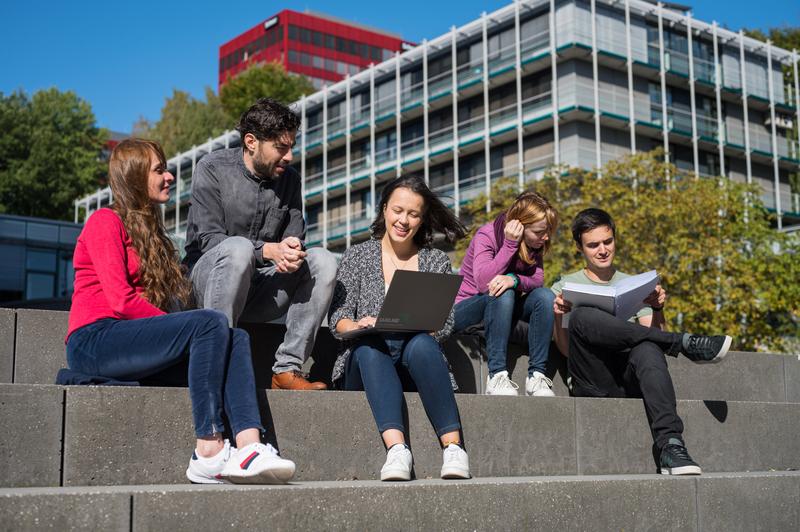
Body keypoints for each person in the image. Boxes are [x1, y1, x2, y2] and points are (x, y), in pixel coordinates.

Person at [65, 139, 296, 484]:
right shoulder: (104, 221)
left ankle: (249, 446)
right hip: (96, 339)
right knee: (210, 325)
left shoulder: (154, 235)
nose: (170, 176)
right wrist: (184, 329)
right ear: (134, 176)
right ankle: (209, 448)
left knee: (234, 337)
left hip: (133, 341)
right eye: (159, 170)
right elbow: (121, 301)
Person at [551, 208, 733, 475]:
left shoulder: (633, 284)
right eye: (593, 245)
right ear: (579, 247)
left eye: (608, 241)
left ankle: (672, 446)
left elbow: (650, 335)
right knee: (581, 316)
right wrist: (559, 317)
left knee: (648, 347)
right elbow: (566, 349)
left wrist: (657, 308)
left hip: (629, 377)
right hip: (592, 379)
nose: (602, 250)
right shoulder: (565, 286)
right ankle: (682, 343)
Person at [184, 98, 337, 391]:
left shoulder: (290, 180)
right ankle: (220, 364)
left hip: (262, 288)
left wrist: (292, 251)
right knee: (238, 249)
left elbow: (295, 237)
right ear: (251, 142)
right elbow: (207, 240)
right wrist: (269, 250)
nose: (290, 156)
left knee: (323, 260)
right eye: (281, 147)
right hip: (207, 284)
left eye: (292, 146)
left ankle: (287, 370)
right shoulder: (212, 168)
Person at [328, 175, 471, 481]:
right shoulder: (357, 255)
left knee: (422, 343)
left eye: (413, 214)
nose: (403, 220)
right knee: (369, 346)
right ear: (383, 210)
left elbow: (444, 323)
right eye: (397, 210)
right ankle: (397, 451)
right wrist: (358, 324)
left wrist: (420, 325)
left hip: (414, 356)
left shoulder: (435, 261)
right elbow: (338, 315)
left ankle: (454, 449)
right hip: (366, 359)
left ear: (422, 220)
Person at [453, 191, 559, 397]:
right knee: (503, 291)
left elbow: (538, 280)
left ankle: (537, 375)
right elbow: (484, 283)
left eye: (548, 231)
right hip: (465, 308)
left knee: (545, 296)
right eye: (540, 232)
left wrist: (515, 279)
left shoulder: (534, 245)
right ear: (520, 226)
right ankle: (496, 374)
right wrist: (510, 244)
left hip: (502, 308)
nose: (545, 237)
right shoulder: (487, 235)